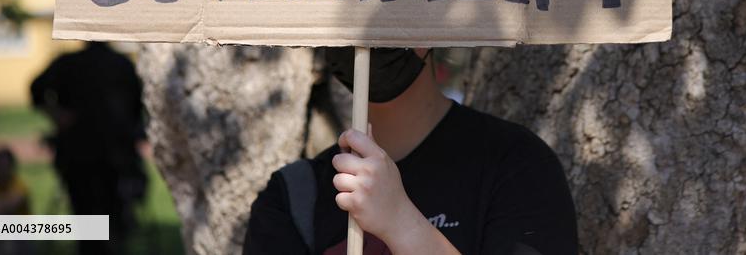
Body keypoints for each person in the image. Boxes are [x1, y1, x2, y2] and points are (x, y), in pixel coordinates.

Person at [243, 48, 577, 255]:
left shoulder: (518, 165)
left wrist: (402, 223)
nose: (373, 32)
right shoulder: (292, 198)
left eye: (391, 1)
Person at [30, 42, 147, 255]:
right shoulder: (114, 64)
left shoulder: (116, 64)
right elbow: (138, 112)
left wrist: (57, 115)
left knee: (95, 220)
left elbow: (137, 108)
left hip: (103, 158)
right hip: (90, 156)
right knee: (102, 220)